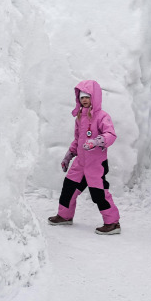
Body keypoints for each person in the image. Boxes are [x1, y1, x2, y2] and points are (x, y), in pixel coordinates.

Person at [48, 80, 122, 234]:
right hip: (80, 163)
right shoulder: (80, 117)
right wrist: (69, 156)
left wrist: (96, 142)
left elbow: (110, 135)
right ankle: (65, 215)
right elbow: (78, 139)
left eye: (87, 97)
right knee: (68, 188)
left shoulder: (102, 116)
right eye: (82, 97)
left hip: (96, 164)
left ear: (94, 97)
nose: (84, 100)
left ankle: (112, 223)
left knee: (99, 194)